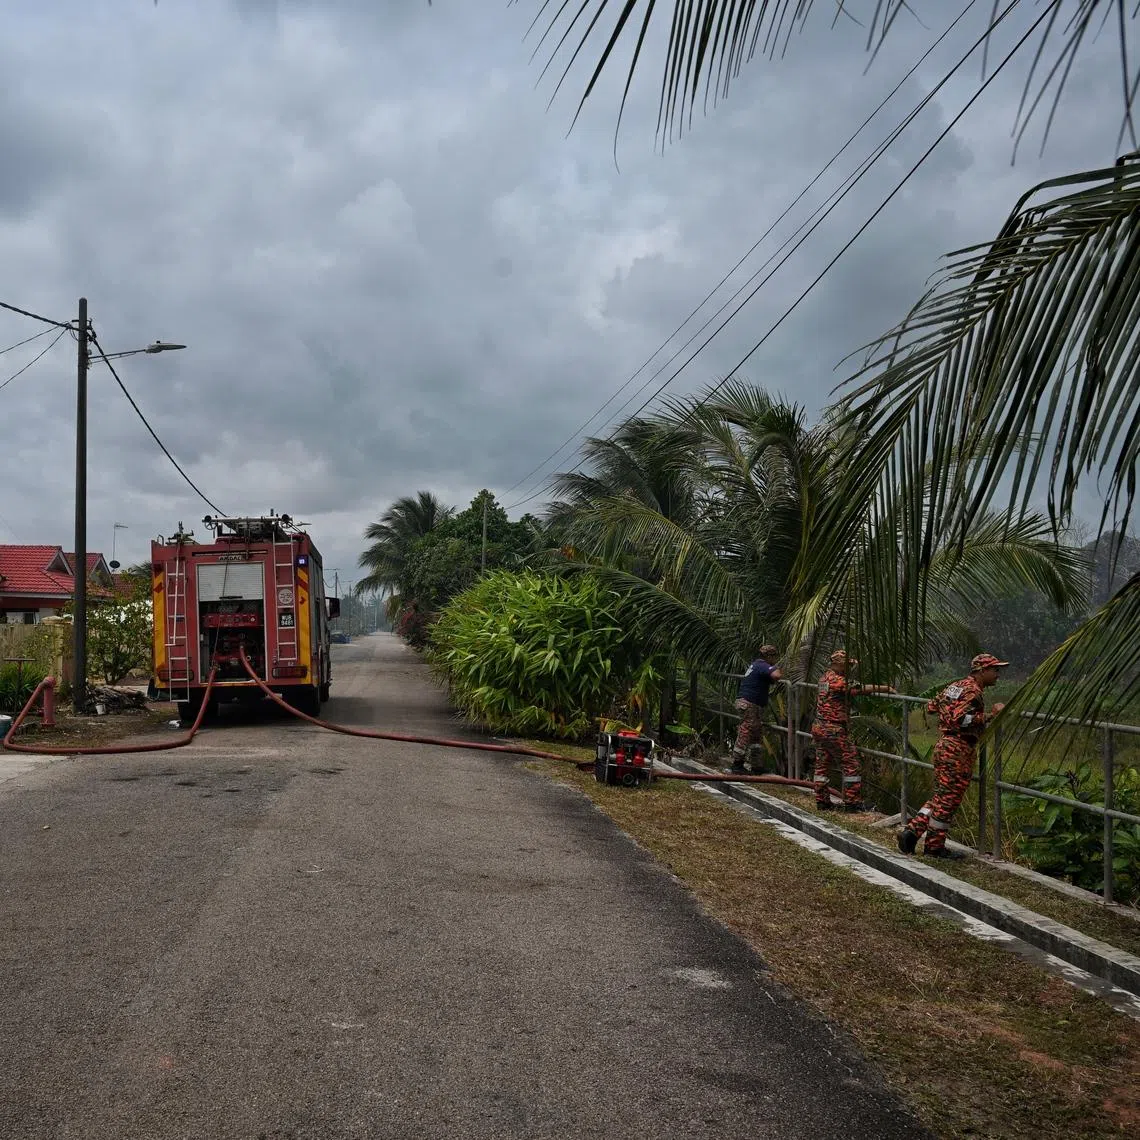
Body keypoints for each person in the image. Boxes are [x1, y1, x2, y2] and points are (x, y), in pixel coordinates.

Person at [897, 653, 1008, 860]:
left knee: (942, 796)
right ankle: (934, 848)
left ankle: (911, 833)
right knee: (948, 800)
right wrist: (991, 716)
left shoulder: (954, 686)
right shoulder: (973, 690)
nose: (998, 674)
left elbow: (931, 707)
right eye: (994, 670)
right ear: (981, 671)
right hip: (957, 749)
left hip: (944, 746)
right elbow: (959, 719)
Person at [812, 649, 895, 812]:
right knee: (851, 764)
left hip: (820, 726)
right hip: (833, 728)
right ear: (837, 663)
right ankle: (852, 802)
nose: (849, 668)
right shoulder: (837, 680)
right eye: (846, 664)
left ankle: (822, 801)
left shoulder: (824, 677)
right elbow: (861, 688)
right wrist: (887, 689)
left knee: (822, 764)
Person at [728, 645, 782, 773]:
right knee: (746, 731)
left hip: (752, 704)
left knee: (756, 735)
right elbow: (776, 675)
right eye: (775, 657)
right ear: (769, 656)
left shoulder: (755, 665)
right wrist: (779, 668)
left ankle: (757, 765)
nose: (775, 660)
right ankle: (737, 763)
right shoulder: (762, 665)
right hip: (749, 704)